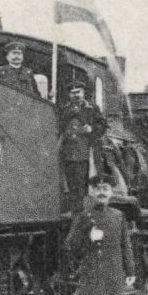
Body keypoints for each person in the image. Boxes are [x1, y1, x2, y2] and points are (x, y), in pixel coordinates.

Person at [67, 175, 132, 295]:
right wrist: (88, 238)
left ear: (111, 192)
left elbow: (125, 245)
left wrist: (131, 270)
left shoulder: (118, 216)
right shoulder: (84, 216)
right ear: (93, 192)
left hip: (113, 269)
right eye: (98, 189)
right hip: (92, 269)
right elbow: (71, 244)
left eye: (105, 189)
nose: (102, 192)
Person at [58, 82, 108, 213]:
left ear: (83, 93)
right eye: (73, 93)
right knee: (70, 185)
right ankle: (74, 211)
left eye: (78, 92)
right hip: (68, 153)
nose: (76, 95)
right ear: (69, 95)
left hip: (86, 152)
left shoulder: (92, 108)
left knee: (84, 185)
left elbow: (102, 125)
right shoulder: (64, 109)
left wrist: (92, 129)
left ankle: (84, 212)